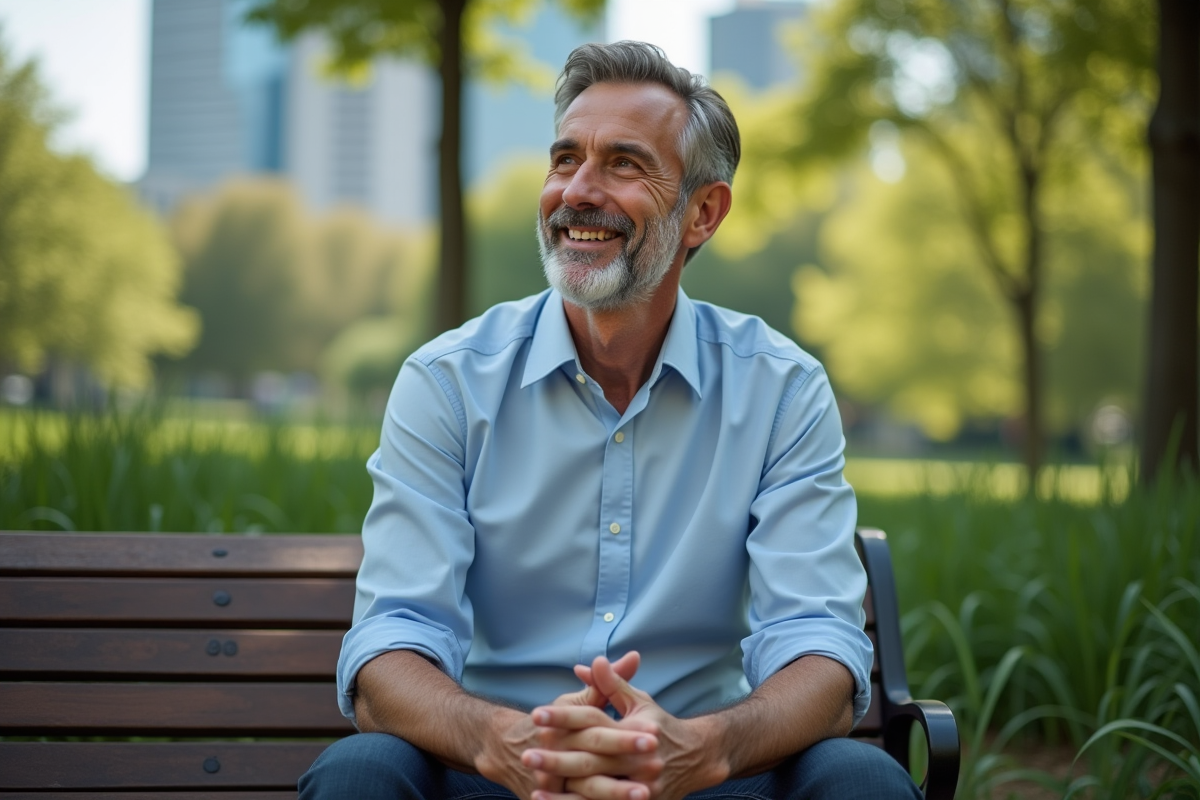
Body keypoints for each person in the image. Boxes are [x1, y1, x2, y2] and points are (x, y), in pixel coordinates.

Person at [301, 41, 922, 800]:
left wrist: (703, 748)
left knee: (862, 779)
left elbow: (818, 646)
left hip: (701, 774)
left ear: (703, 212)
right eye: (565, 159)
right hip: (495, 771)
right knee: (360, 774)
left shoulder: (781, 389)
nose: (577, 192)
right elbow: (392, 641)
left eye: (624, 164)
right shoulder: (448, 382)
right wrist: (502, 740)